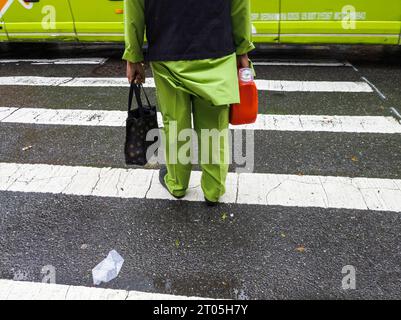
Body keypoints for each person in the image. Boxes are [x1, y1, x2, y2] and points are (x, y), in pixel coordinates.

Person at [123, 0, 255, 206]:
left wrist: (133, 56)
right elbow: (240, 7)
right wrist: (243, 49)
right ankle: (214, 190)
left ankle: (177, 184)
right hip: (216, 51)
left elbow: (134, 8)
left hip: (168, 49)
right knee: (214, 127)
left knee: (175, 123)